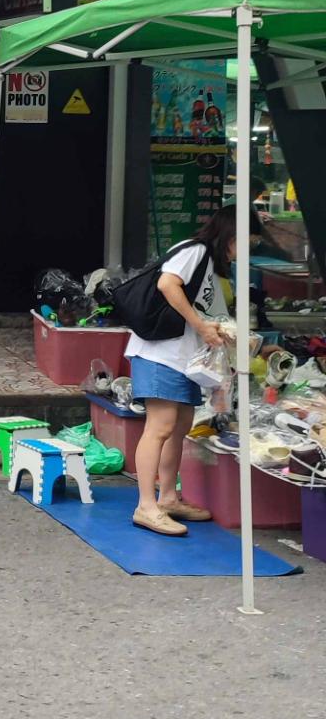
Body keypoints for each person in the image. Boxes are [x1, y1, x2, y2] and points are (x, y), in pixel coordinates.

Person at [124, 209, 235, 536]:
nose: (246, 250)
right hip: (159, 352)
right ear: (230, 235)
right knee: (160, 426)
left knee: (179, 426)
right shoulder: (195, 250)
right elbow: (167, 284)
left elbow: (204, 311)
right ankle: (146, 506)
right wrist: (201, 326)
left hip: (185, 358)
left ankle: (168, 497)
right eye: (248, 241)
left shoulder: (212, 265)